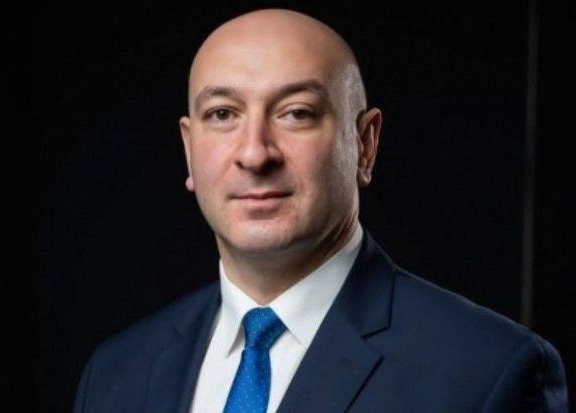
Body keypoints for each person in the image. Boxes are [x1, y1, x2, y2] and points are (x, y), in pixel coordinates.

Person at [73, 8, 568, 413]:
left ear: (365, 144)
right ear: (188, 150)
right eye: (223, 114)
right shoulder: (116, 374)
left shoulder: (487, 373)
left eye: (296, 113)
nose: (255, 153)